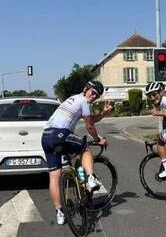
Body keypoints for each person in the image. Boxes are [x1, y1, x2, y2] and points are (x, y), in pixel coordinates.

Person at [41, 80, 113, 225]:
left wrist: (103, 114)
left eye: (97, 96)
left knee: (54, 176)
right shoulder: (84, 100)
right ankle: (91, 178)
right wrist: (98, 139)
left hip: (46, 136)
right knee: (85, 148)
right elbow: (89, 126)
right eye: (93, 93)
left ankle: (60, 212)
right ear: (85, 89)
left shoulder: (73, 99)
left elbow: (90, 118)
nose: (94, 97)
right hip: (60, 134)